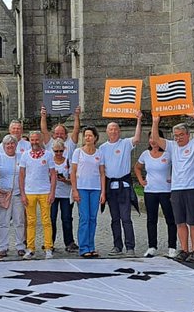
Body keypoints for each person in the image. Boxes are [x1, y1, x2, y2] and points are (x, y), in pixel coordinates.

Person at [150, 111, 194, 262]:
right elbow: (156, 138)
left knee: (193, 221)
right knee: (180, 222)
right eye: (175, 135)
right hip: (176, 189)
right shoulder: (171, 146)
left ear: (188, 135)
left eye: (180, 135)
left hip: (192, 188)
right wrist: (155, 121)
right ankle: (184, 249)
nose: (178, 138)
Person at [101, 110, 144, 256]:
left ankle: (130, 247)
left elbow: (137, 138)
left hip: (124, 187)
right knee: (114, 219)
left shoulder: (125, 143)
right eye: (110, 129)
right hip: (111, 187)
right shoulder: (103, 148)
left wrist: (139, 120)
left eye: (115, 129)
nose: (113, 131)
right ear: (107, 132)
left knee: (126, 218)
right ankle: (117, 246)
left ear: (119, 131)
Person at [135, 128, 175, 258]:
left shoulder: (169, 153)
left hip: (166, 191)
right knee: (151, 220)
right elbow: (137, 167)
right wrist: (141, 180)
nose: (153, 141)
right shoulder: (145, 154)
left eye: (155, 138)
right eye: (150, 138)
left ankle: (172, 247)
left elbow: (178, 166)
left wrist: (173, 178)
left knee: (170, 219)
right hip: (150, 191)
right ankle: (152, 246)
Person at [17, 130, 56, 259]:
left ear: (41, 140)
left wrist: (52, 192)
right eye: (32, 140)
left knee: (46, 221)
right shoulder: (25, 155)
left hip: (45, 191)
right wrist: (22, 193)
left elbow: (53, 175)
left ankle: (48, 247)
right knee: (31, 222)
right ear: (29, 141)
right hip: (29, 192)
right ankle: (30, 248)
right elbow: (21, 175)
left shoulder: (48, 155)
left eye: (36, 140)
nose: (34, 142)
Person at [70, 126, 106, 258]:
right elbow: (73, 172)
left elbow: (102, 173)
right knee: (84, 218)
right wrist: (74, 190)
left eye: (90, 135)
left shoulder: (99, 153)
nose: (88, 138)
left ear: (95, 137)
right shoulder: (78, 152)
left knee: (93, 218)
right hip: (82, 188)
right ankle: (84, 247)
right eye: (85, 135)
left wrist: (103, 192)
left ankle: (91, 246)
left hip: (95, 189)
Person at [0, 134, 25, 257]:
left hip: (17, 194)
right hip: (4, 194)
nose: (10, 146)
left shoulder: (21, 157)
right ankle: (3, 247)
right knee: (3, 222)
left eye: (12, 143)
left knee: (19, 221)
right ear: (3, 145)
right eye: (7, 144)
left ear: (16, 145)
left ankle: (20, 246)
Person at [50, 139, 76, 253]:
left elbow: (73, 180)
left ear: (64, 150)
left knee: (66, 218)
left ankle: (69, 242)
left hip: (66, 194)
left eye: (60, 151)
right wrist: (52, 178)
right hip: (53, 194)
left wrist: (65, 180)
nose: (58, 154)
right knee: (51, 219)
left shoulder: (68, 162)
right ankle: (50, 242)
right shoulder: (50, 162)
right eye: (56, 151)